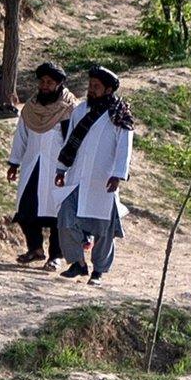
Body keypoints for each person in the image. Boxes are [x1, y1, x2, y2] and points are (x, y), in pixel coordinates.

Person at [53, 66, 133, 286]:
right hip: (77, 178)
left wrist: (118, 174)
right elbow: (70, 142)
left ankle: (98, 270)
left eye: (96, 87)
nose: (91, 90)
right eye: (90, 86)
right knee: (66, 218)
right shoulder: (80, 110)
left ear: (108, 89)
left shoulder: (119, 114)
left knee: (104, 230)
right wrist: (61, 169)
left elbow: (124, 147)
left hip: (103, 181)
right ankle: (77, 263)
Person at [6, 63, 75, 266]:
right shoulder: (31, 108)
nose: (44, 86)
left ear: (59, 84)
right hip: (32, 166)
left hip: (58, 169)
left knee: (57, 215)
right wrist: (14, 163)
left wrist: (68, 166)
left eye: (49, 82)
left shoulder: (68, 109)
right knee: (26, 209)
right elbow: (21, 137)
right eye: (42, 82)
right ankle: (35, 249)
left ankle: (56, 256)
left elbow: (73, 141)